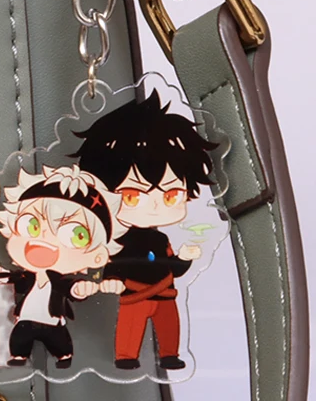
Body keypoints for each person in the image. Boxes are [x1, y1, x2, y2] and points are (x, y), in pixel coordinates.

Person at [73, 90, 218, 370]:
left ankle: (170, 354)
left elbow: (174, 269)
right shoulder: (118, 239)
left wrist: (184, 258)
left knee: (170, 327)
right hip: (133, 296)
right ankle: (126, 357)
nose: (153, 206)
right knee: (130, 328)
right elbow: (107, 262)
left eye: (171, 195)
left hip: (166, 295)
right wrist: (108, 279)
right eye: (131, 196)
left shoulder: (162, 239)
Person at [0, 165, 125, 369]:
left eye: (76, 235)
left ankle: (64, 356)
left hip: (52, 319)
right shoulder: (28, 277)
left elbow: (71, 288)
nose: (43, 240)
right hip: (26, 318)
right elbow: (15, 281)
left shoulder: (59, 280)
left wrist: (81, 288)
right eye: (31, 225)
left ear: (98, 255)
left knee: (58, 340)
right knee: (20, 336)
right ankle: (19, 355)